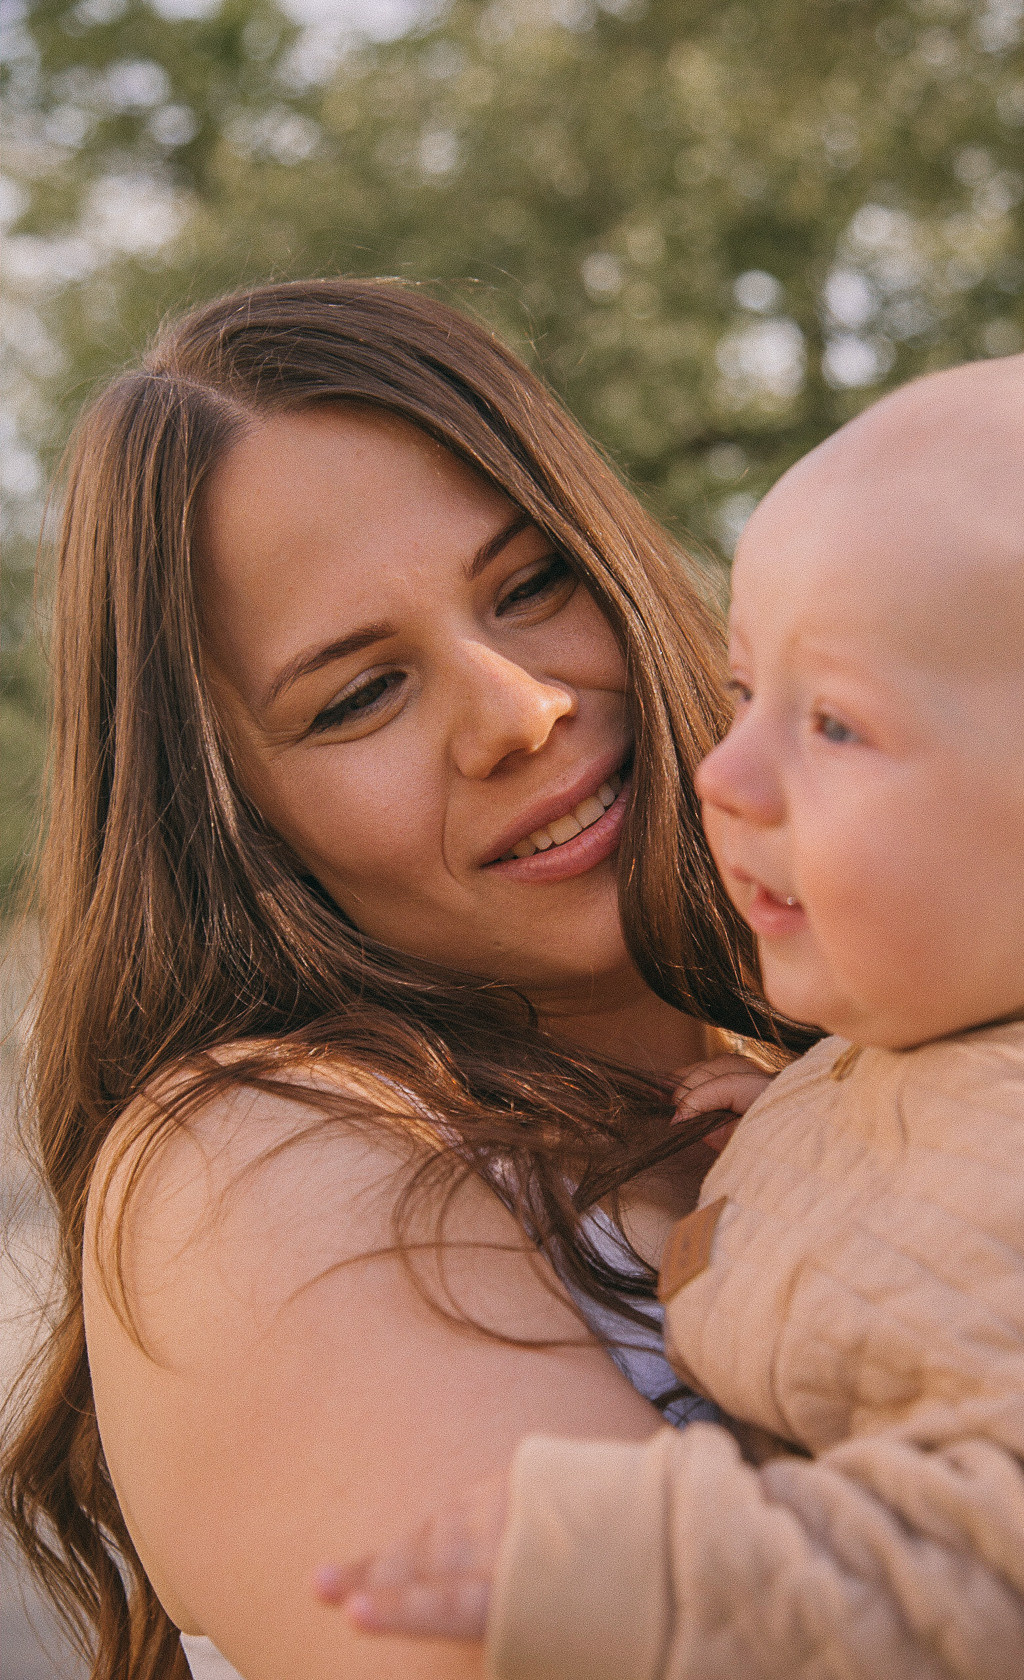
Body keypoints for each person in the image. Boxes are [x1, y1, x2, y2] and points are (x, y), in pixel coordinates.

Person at [0, 278, 807, 1680]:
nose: (519, 711)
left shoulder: (868, 1043)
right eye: (358, 694)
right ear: (229, 813)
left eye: (532, 583)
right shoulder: (253, 1164)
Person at [317, 345, 1024, 1679]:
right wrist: (812, 1116)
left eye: (840, 727)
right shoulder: (958, 1048)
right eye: (748, 697)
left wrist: (654, 1568)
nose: (727, 771)